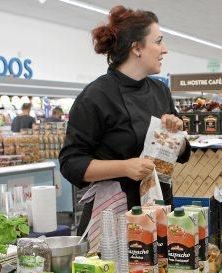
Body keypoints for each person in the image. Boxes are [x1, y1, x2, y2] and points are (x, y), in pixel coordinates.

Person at [59, 5, 190, 235]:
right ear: (137, 48)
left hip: (158, 211)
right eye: (158, 41)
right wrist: (125, 167)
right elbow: (71, 163)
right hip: (113, 218)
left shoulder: (160, 92)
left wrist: (175, 132)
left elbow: (182, 153)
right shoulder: (96, 96)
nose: (165, 49)